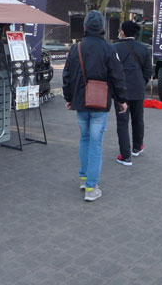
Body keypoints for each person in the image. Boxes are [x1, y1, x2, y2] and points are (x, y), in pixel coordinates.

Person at [63, 10, 127, 202]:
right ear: (102, 28)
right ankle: (91, 188)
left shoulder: (76, 48)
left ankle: (84, 179)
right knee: (96, 143)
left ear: (84, 27)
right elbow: (117, 76)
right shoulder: (109, 49)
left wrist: (68, 97)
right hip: (100, 102)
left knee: (84, 138)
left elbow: (67, 75)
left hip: (80, 102)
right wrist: (122, 99)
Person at [112, 21, 153, 166]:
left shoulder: (114, 48)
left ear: (122, 32)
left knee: (122, 122)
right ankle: (137, 147)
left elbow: (111, 69)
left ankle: (125, 156)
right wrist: (142, 83)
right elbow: (148, 71)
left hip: (121, 90)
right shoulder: (144, 49)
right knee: (138, 119)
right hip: (138, 90)